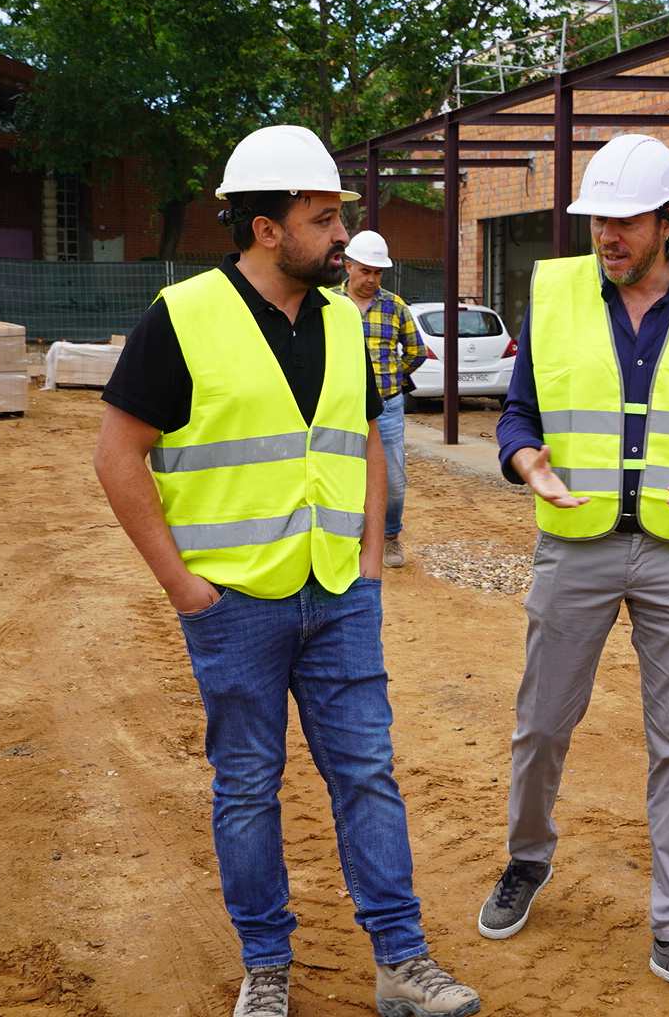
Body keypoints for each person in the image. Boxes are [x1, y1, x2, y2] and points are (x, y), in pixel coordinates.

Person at [93, 125, 480, 1017]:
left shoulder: (344, 320)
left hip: (340, 595)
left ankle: (402, 961)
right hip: (233, 604)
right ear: (266, 230)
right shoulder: (183, 316)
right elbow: (118, 456)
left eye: (338, 215)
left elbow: (367, 439)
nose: (342, 234)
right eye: (323, 218)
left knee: (368, 775)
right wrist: (185, 588)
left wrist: (371, 559)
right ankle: (266, 967)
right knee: (246, 788)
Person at [486, 133, 669, 1013]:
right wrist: (527, 462)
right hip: (577, 542)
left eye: (626, 221)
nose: (607, 236)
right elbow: (519, 413)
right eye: (598, 220)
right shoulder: (555, 292)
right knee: (542, 723)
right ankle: (527, 858)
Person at [330, 229, 428, 569]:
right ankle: (346, 537)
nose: (372, 279)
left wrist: (391, 378)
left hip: (386, 407)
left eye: (378, 272)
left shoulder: (394, 306)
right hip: (339, 407)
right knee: (340, 473)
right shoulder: (328, 302)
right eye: (365, 271)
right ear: (348, 266)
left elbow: (416, 352)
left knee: (393, 479)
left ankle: (389, 537)